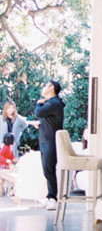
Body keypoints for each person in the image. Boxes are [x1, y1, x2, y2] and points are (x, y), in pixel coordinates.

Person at [30, 80, 65, 211]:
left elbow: (38, 112)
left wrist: (39, 103)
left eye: (45, 85)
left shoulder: (54, 103)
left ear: (51, 88)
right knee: (47, 170)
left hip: (50, 140)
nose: (43, 87)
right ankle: (50, 196)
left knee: (49, 169)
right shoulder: (51, 103)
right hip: (45, 140)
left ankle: (53, 199)